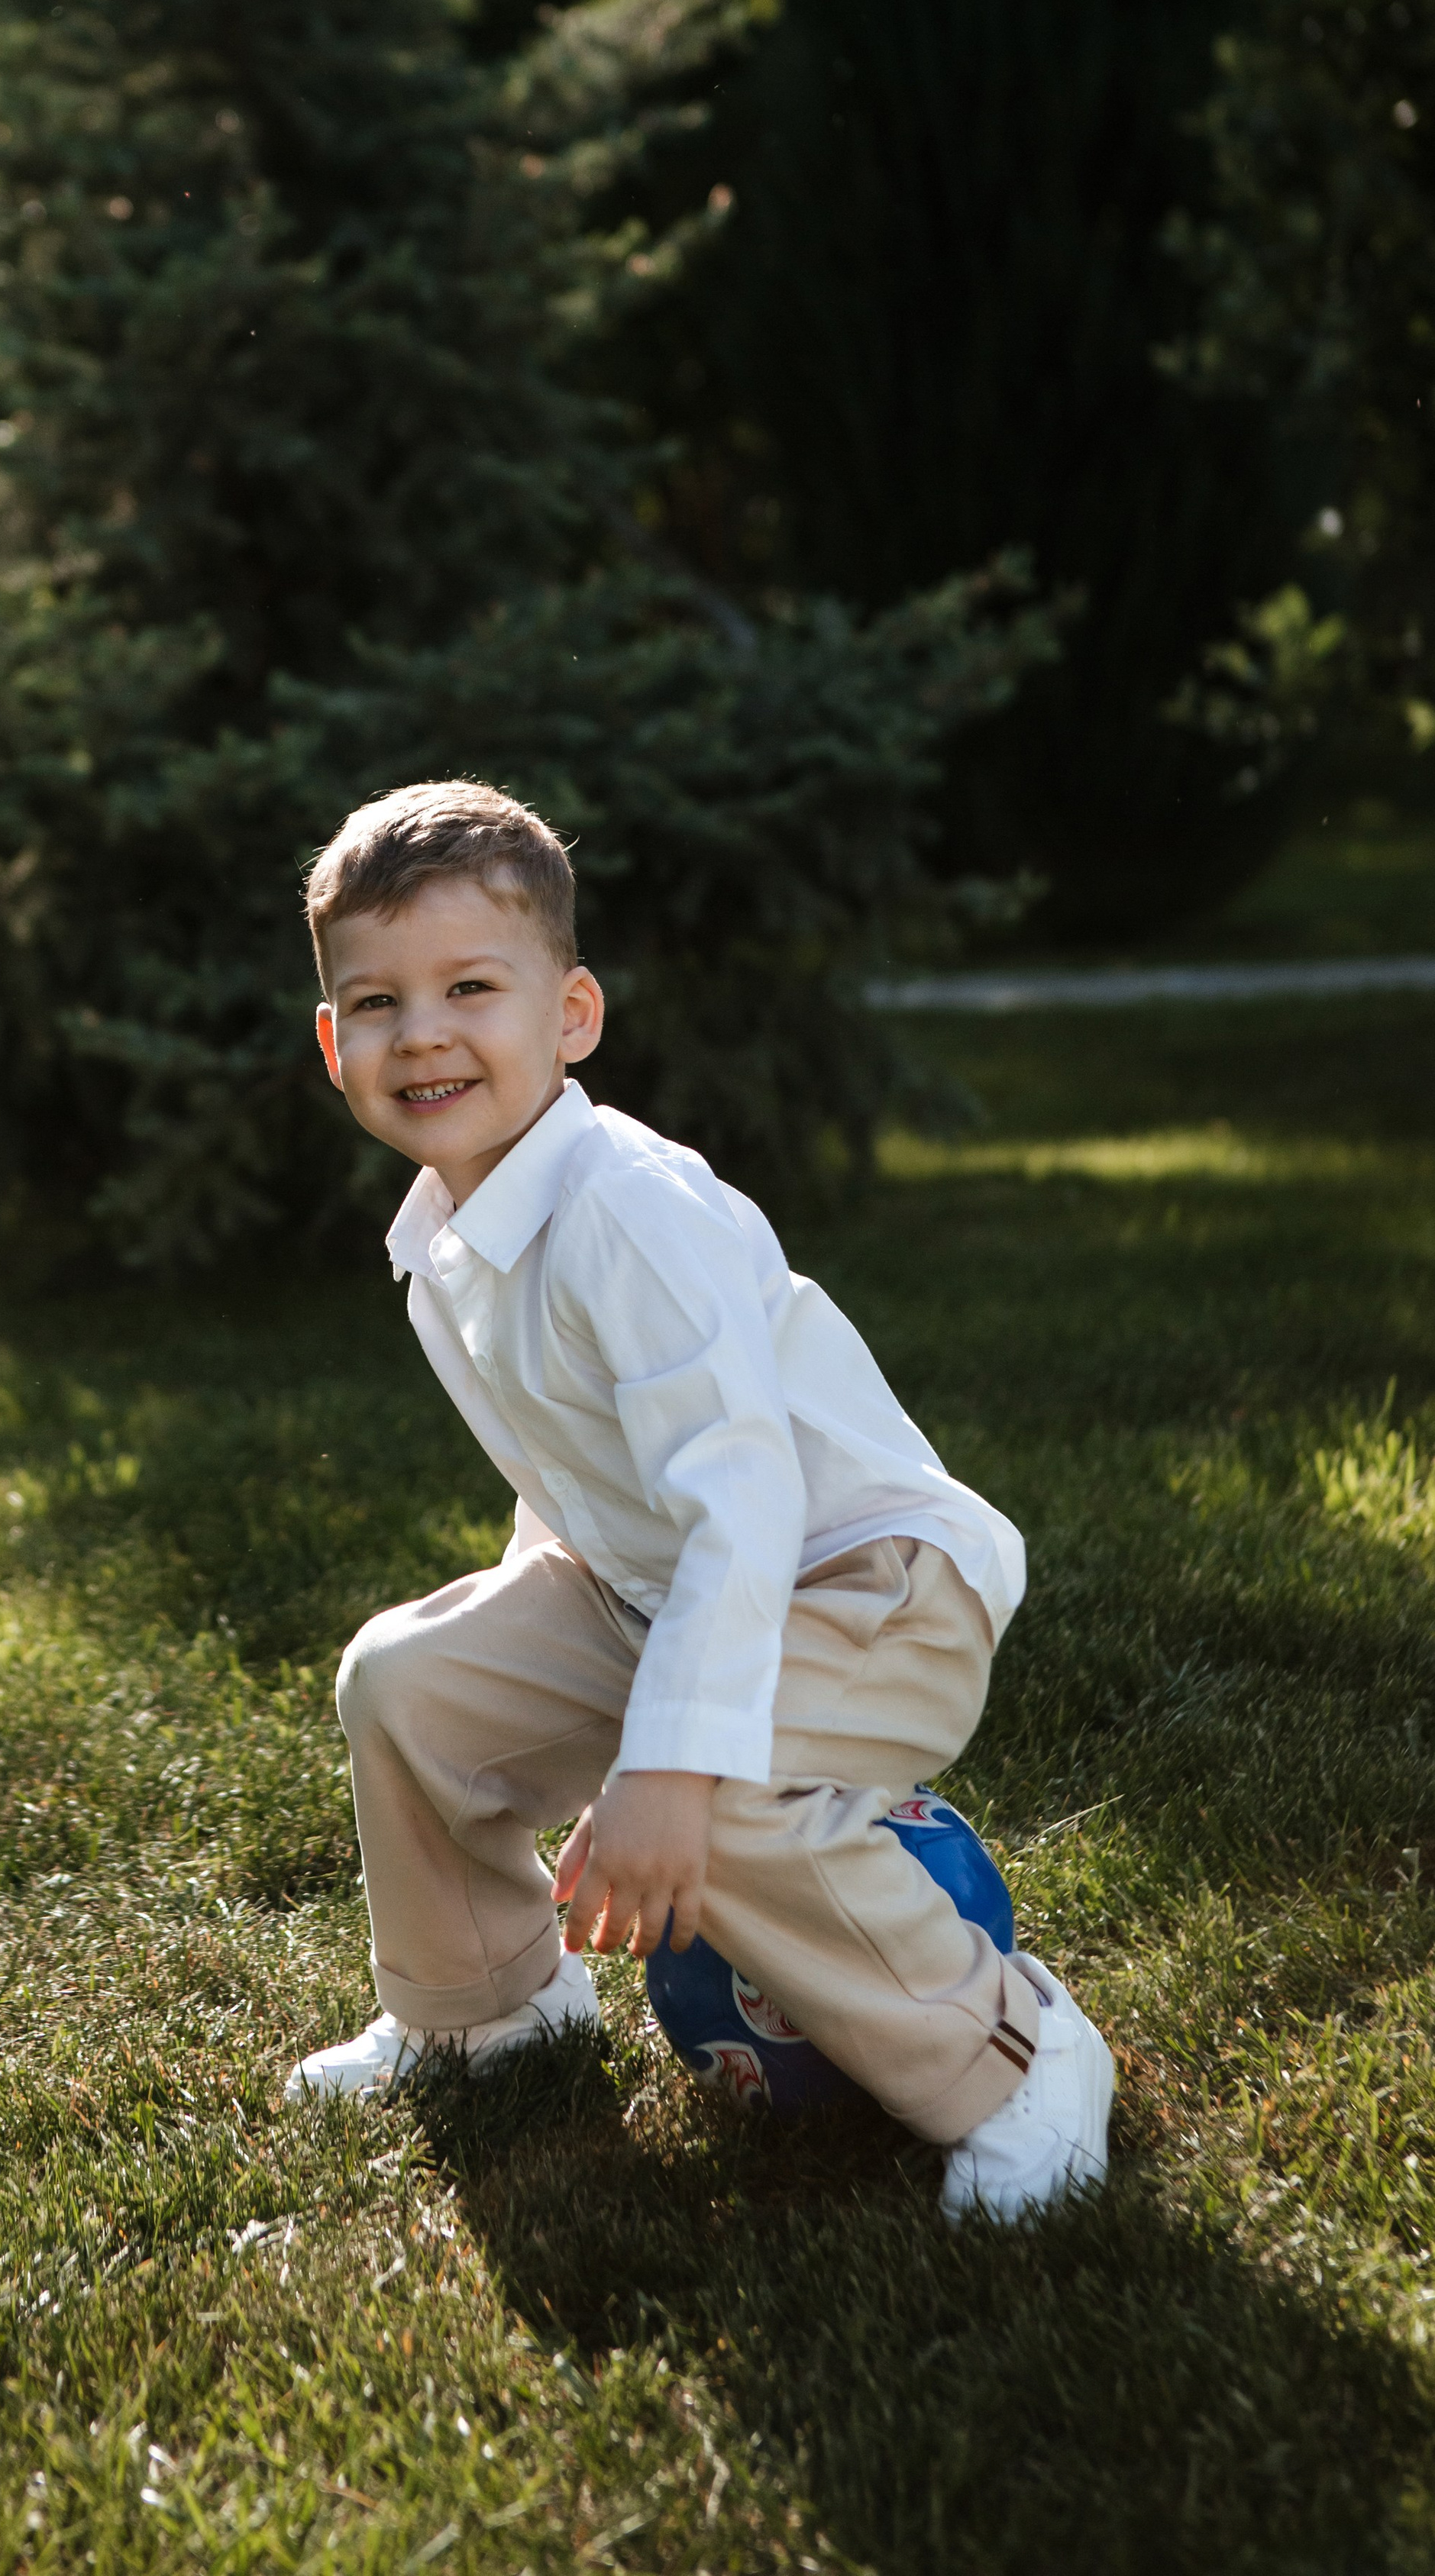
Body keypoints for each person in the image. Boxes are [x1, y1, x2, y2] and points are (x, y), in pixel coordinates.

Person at [283, 780, 1113, 2222]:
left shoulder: (625, 1211)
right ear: (332, 1043)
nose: (422, 1032)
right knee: (403, 1681)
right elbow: (580, 1482)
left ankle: (1017, 2062)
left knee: (719, 1811)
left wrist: (667, 1763)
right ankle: (487, 2006)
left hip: (872, 1590)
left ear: (575, 1015)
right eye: (378, 1002)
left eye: (472, 986)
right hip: (670, 1593)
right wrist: (558, 1664)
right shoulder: (447, 1230)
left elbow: (745, 1495)